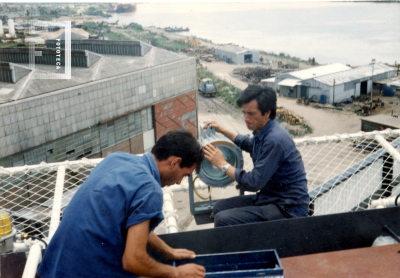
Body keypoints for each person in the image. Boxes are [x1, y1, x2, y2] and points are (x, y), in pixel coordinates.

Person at [37, 130, 206, 278]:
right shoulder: (150, 190)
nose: (178, 183)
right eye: (183, 175)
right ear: (174, 163)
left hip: (51, 269)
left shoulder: (116, 158)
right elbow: (133, 261)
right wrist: (177, 273)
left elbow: (131, 224)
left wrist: (167, 251)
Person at [203, 85, 309, 227]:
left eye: (251, 114)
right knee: (218, 208)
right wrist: (221, 130)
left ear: (267, 113)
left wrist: (222, 164)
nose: (246, 118)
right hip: (271, 198)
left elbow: (253, 183)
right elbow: (248, 143)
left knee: (223, 219)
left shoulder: (274, 140)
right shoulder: (265, 130)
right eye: (244, 113)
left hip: (288, 209)